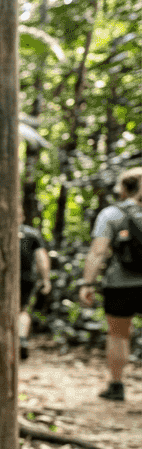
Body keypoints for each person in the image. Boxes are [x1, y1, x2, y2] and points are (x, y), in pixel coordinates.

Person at [80, 166, 142, 401]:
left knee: (118, 333)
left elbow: (98, 252)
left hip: (120, 284)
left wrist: (87, 283)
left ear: (125, 189)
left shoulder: (112, 214)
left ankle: (116, 385)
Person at [18, 220, 50, 360]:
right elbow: (41, 257)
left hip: (1, 278)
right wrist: (45, 279)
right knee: (23, 310)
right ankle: (21, 338)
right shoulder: (31, 233)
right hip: (26, 277)